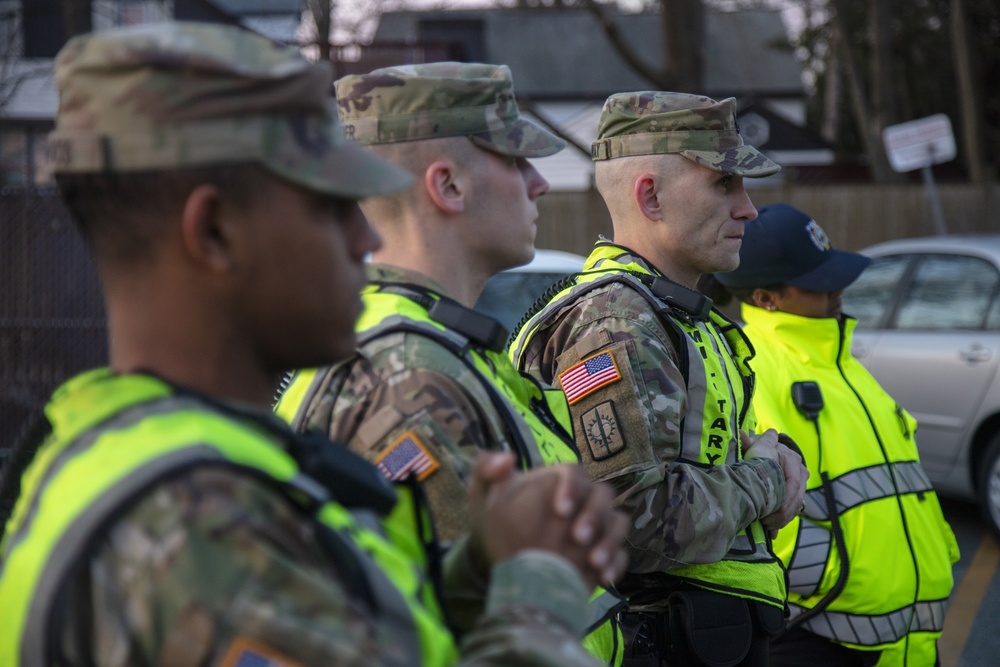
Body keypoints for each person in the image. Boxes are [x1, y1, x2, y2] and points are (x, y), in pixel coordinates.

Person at [0, 22, 630, 666]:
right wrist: (538, 581)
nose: (363, 240)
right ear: (216, 232)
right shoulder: (200, 527)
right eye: (329, 206)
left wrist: (476, 571)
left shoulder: (149, 455)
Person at [274, 62, 626, 663]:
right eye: (516, 160)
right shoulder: (410, 374)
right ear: (449, 187)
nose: (539, 183)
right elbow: (468, 632)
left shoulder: (427, 345)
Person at [508, 91, 810, 667]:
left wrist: (772, 465)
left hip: (707, 634)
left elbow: (710, 450)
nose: (748, 208)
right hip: (667, 639)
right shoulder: (618, 320)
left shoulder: (673, 312)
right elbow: (639, 519)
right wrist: (769, 481)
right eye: (725, 184)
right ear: (650, 196)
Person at [704, 203, 960, 667]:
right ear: (765, 298)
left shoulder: (842, 361)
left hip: (907, 638)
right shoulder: (751, 372)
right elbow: (747, 514)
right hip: (822, 637)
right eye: (818, 283)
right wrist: (827, 576)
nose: (838, 290)